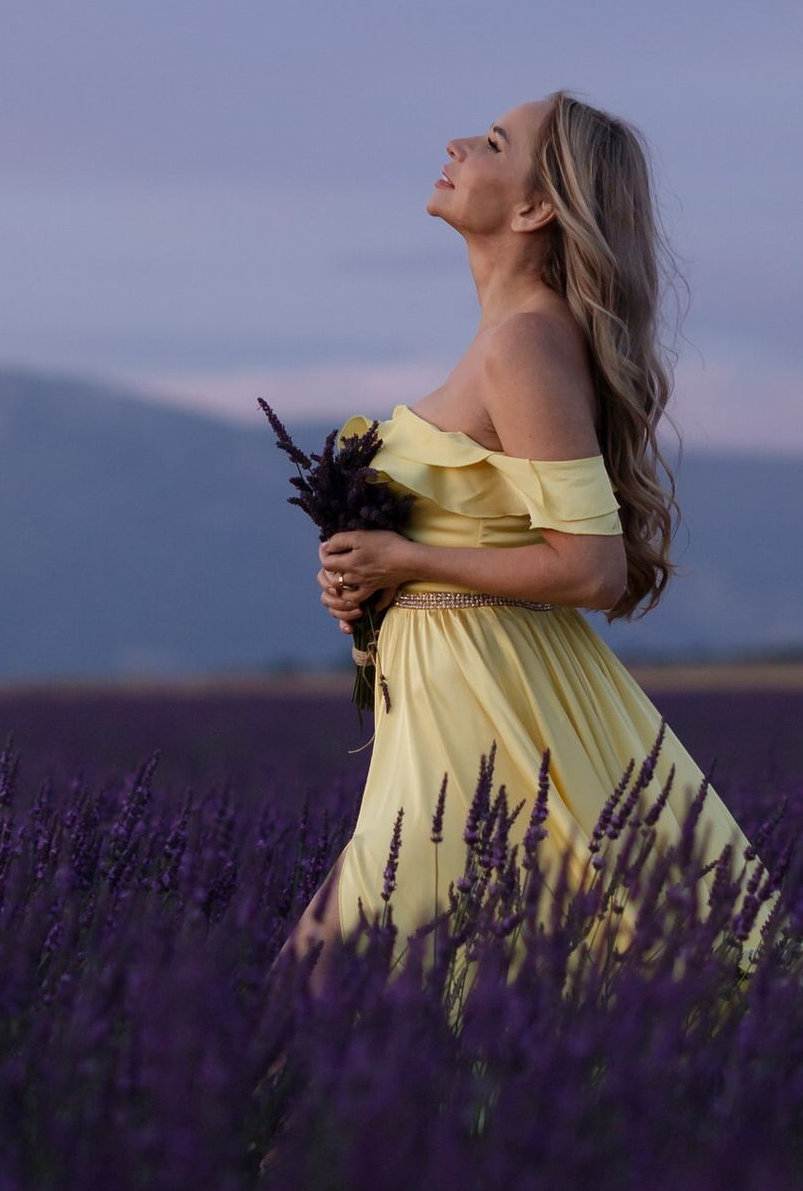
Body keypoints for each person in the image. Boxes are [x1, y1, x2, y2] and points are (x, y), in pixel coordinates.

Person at [295, 91, 778, 970]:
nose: (454, 143)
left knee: (330, 990)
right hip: (449, 705)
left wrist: (406, 557)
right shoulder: (501, 342)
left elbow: (590, 570)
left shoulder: (524, 344)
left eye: (490, 142)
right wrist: (371, 591)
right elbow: (495, 542)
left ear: (533, 207)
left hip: (488, 718)